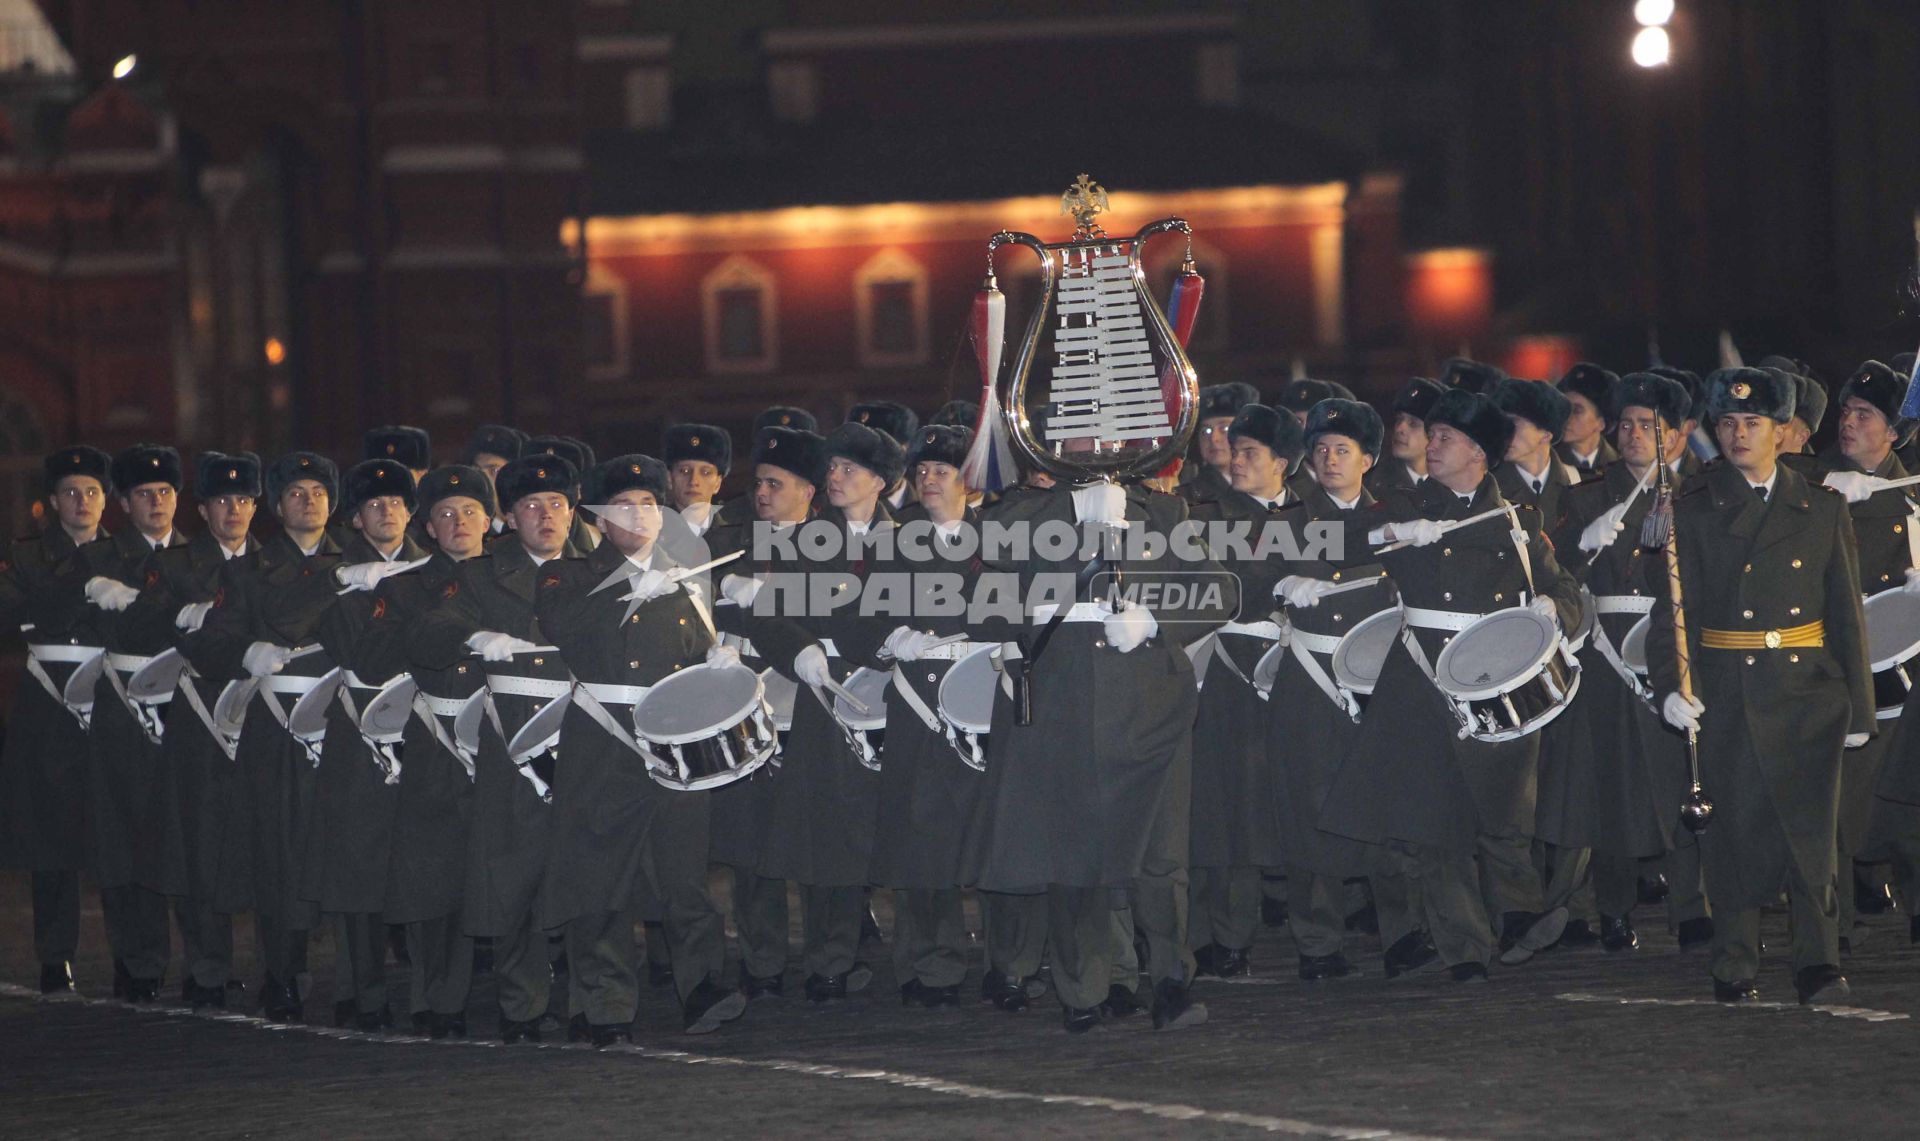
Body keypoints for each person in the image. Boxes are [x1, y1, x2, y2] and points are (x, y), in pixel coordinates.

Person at [1322, 387, 1584, 982]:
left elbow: (1568, 592)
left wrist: (1550, 609)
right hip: (1420, 678)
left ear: (1478, 455)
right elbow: (1329, 541)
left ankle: (1519, 917)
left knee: (1506, 816)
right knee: (1434, 823)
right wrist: (1390, 536)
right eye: (1430, 435)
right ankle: (1466, 947)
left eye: (1446, 438)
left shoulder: (1517, 522)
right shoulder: (1401, 507)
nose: (1430, 445)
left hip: (1495, 677)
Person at [974, 460, 1236, 1032]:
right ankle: (1082, 992)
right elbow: (988, 561)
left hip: (1150, 704)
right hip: (1066, 708)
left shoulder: (1161, 512)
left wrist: (1155, 620)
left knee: (1162, 860)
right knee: (1075, 859)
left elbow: (1218, 591)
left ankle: (1171, 982)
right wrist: (1069, 510)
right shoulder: (1025, 512)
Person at [1648, 366, 1871, 1005]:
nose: (1739, 434)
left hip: (1807, 693)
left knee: (1811, 833)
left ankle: (1818, 961)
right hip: (1728, 690)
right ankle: (1735, 959)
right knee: (1735, 830)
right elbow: (1672, 615)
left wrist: (1857, 708)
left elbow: (1845, 615)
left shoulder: (1821, 507)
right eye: (1727, 424)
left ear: (1784, 432)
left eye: (1753, 423)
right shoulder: (1691, 509)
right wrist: (1670, 686)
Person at [535, 454, 747, 1042]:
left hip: (673, 741)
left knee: (683, 876)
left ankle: (702, 987)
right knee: (598, 879)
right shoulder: (566, 576)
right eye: (627, 506)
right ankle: (601, 1005)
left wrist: (721, 660)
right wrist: (627, 590)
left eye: (651, 505)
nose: (642, 515)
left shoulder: (684, 579)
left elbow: (695, 652)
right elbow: (567, 631)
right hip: (603, 741)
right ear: (600, 519)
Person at [412, 454, 584, 1039]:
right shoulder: (482, 576)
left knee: (588, 875)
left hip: (589, 741)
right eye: (531, 506)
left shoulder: (599, 570)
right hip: (515, 747)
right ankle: (524, 1004)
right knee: (516, 878)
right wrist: (473, 635)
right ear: (508, 518)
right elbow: (429, 630)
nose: (546, 516)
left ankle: (592, 1000)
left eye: (557, 503)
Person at [1266, 399, 1436, 979]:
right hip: (1311, 682)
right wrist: (1280, 582)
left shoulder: (1398, 514)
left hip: (1380, 677)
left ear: (1369, 458)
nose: (1330, 459)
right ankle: (1317, 943)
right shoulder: (1286, 518)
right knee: (1309, 808)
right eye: (1320, 450)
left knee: (1388, 802)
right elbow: (1247, 573)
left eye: (1343, 450)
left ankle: (1404, 933)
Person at [1551, 374, 1713, 954]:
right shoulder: (1587, 495)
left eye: (1650, 425)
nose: (1635, 435)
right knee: (1610, 778)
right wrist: (1581, 546)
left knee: (1685, 774)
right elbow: (1552, 568)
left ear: (1680, 433)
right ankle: (1614, 906)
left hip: (1677, 642)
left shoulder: (1701, 491)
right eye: (1627, 425)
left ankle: (1693, 906)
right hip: (1608, 644)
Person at [746, 421, 901, 1001]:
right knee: (826, 832)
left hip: (891, 691)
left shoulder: (911, 540)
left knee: (892, 826)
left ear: (880, 482)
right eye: (831, 467)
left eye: (848, 470)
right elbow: (767, 616)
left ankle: (915, 961)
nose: (833, 478)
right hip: (823, 686)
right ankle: (828, 959)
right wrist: (800, 650)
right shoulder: (801, 542)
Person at [188, 451, 346, 1022]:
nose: (309, 502)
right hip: (276, 729)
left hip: (342, 724)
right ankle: (281, 970)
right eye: (296, 494)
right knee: (279, 853)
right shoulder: (247, 570)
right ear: (277, 508)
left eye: (318, 492)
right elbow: (206, 644)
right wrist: (242, 650)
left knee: (341, 849)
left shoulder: (352, 561)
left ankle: (354, 982)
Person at [354, 465, 492, 1036]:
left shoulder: (521, 576)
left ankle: (524, 1000)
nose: (458, 523)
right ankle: (439, 998)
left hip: (507, 741)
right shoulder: (403, 588)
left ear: (491, 518)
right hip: (436, 745)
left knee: (504, 870)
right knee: (433, 877)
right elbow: (373, 659)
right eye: (444, 514)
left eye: (469, 511)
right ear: (428, 528)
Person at [125, 451, 262, 1007]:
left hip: (261, 718)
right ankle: (208, 965)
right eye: (223, 501)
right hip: (198, 719)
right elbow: (141, 624)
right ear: (202, 509)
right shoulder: (178, 565)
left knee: (259, 839)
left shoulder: (271, 563)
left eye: (244, 501)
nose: (234, 511)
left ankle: (274, 965)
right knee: (202, 841)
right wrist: (183, 615)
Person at [859, 424, 987, 1007]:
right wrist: (891, 636)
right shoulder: (892, 541)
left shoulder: (1001, 539)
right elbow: (856, 613)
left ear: (971, 480)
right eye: (921, 472)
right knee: (920, 840)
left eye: (943, 470)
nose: (929, 480)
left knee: (990, 837)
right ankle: (925, 962)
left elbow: (1023, 610)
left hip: (984, 701)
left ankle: (1009, 962)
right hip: (916, 705)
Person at [306, 459, 427, 1030]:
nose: (388, 512)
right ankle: (363, 988)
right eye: (375, 505)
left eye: (398, 503)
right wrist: (346, 587)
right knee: (358, 865)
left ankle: (429, 993)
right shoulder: (337, 576)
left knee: (425, 857)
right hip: (359, 727)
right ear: (355, 519)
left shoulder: (433, 571)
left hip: (424, 726)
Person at [709, 423, 828, 998]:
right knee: (750, 839)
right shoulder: (728, 544)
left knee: (814, 836)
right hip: (747, 701)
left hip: (811, 700)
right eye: (758, 482)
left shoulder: (837, 545)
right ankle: (762, 961)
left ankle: (829, 959)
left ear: (808, 490)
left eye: (776, 483)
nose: (762, 493)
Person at [67, 445, 188, 1002]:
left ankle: (200, 961)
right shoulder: (102, 557)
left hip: (188, 708)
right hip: (124, 708)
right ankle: (137, 958)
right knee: (127, 836)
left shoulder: (199, 553)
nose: (157, 503)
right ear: (123, 502)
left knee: (186, 833)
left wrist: (137, 602)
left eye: (165, 493)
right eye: (144, 494)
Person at [1185, 404, 1300, 977]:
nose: (1236, 459)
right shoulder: (1208, 514)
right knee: (1219, 810)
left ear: (1283, 463)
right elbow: (1221, 587)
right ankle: (1215, 935)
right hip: (1224, 672)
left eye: (1251, 452)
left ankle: (1237, 933)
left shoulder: (1306, 517)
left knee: (1260, 812)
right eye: (1236, 449)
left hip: (1288, 675)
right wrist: (1283, 584)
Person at [1805, 361, 1913, 948]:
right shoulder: (1814, 488)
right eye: (1846, 411)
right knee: (1838, 801)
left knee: (1909, 793)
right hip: (1838, 658)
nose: (1848, 422)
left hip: (1905, 663)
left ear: (1894, 433)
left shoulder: (1914, 495)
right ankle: (1833, 923)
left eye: (1864, 415)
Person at [0, 445, 113, 996]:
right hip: (48, 710)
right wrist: (77, 585)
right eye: (71, 492)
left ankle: (135, 955)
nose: (82, 501)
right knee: (52, 838)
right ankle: (55, 955)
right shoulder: (27, 557)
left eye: (92, 491)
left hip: (114, 704)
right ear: (52, 501)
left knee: (119, 830)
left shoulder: (124, 554)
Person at [1178, 382, 1258, 508]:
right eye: (1206, 431)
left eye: (1224, 429)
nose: (1213, 439)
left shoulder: (1271, 485)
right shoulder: (1188, 500)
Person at [1366, 378, 1443, 497]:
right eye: (1399, 419)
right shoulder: (1373, 483)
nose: (1399, 429)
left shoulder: (1451, 481)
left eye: (1413, 424)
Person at [662, 423, 731, 538]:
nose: (693, 481)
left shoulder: (737, 536)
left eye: (705, 472)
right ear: (669, 478)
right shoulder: (649, 535)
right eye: (684, 471)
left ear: (717, 483)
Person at [1555, 364, 1620, 476]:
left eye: (1577, 410)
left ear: (1601, 423)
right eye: (1564, 408)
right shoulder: (1549, 465)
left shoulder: (1621, 468)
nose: (1566, 417)